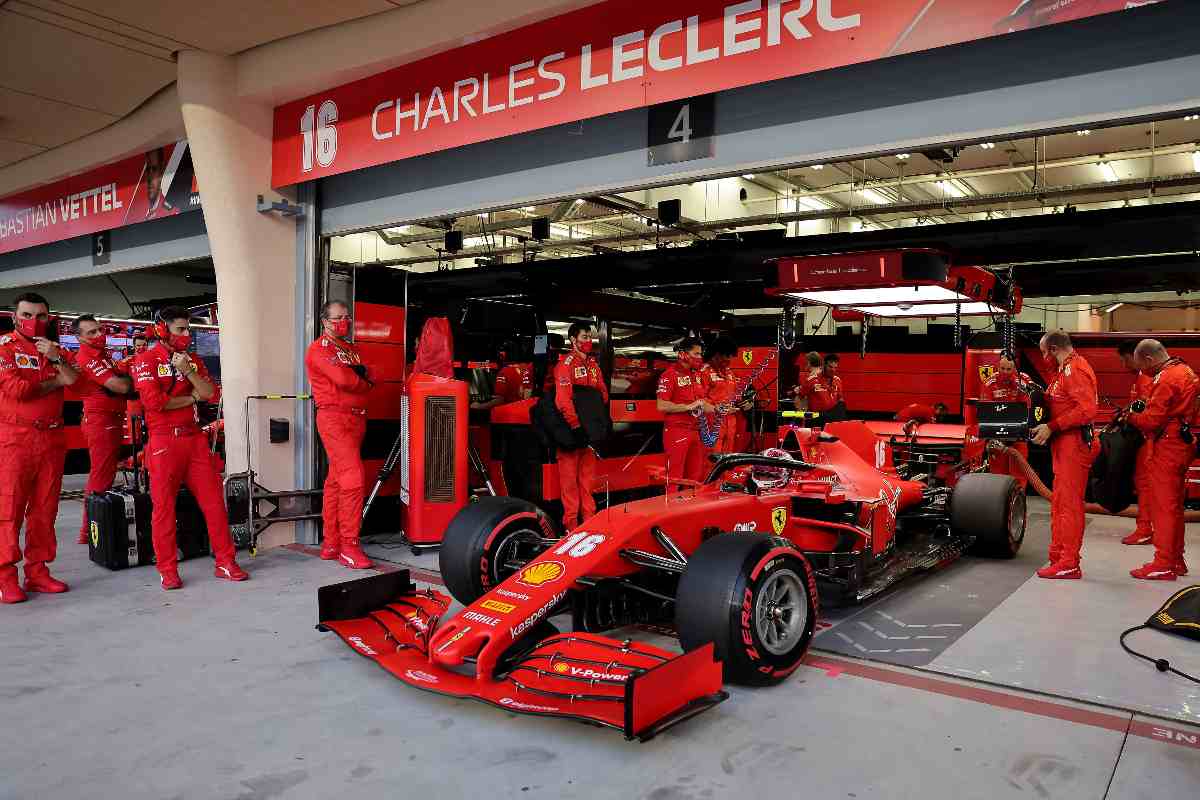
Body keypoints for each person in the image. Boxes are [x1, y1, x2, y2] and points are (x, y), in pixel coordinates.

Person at [132, 307, 247, 589]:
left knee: (214, 504)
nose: (186, 335)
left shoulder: (192, 360)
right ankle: (167, 569)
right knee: (163, 509)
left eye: (188, 330)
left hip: (195, 440)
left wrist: (188, 374)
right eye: (180, 329)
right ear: (162, 330)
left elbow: (210, 394)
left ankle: (225, 561)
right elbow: (154, 403)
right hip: (162, 442)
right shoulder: (145, 361)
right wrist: (191, 398)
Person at [0, 293, 78, 603]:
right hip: (14, 439)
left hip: (51, 439)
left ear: (49, 318)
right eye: (28, 314)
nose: (34, 321)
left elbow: (74, 380)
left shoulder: (54, 350)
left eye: (41, 315)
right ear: (14, 317)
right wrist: (56, 381)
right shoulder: (4, 346)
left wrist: (57, 360)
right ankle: (6, 576)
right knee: (9, 508)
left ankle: (38, 571)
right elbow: (18, 390)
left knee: (45, 508)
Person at [305, 301, 374, 569]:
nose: (343, 322)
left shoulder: (351, 350)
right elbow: (346, 380)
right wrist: (362, 380)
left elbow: (371, 375)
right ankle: (349, 546)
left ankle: (331, 543)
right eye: (337, 318)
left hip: (356, 418)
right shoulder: (318, 349)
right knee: (353, 478)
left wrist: (361, 378)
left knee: (336, 480)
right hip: (334, 418)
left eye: (346, 317)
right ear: (324, 321)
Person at [1126, 339, 1198, 580]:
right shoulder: (1186, 370)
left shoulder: (1165, 378)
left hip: (1167, 445)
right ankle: (1176, 559)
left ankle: (1164, 563)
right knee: (1175, 506)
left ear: (1149, 359)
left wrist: (1134, 415)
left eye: (1143, 367)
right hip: (1182, 442)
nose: (1144, 373)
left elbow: (1151, 421)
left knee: (1163, 507)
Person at [1029, 331, 1098, 579]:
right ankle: (1059, 556)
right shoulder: (1062, 372)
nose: (1044, 357)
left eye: (1044, 352)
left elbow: (1088, 410)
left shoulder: (1074, 370)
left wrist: (1052, 426)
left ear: (1054, 348)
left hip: (1074, 444)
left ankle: (1069, 562)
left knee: (1068, 505)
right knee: (1059, 503)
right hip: (1064, 446)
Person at [71, 315, 134, 544]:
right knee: (101, 475)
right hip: (100, 421)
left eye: (100, 330)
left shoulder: (103, 355)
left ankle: (92, 528)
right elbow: (121, 385)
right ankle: (87, 532)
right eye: (92, 333)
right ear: (79, 338)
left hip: (110, 419)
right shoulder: (87, 357)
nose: (99, 335)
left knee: (105, 474)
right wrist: (128, 380)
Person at [554, 322, 607, 529]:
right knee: (569, 485)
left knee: (587, 483)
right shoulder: (565, 365)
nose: (588, 341)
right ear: (573, 340)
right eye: (584, 337)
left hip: (590, 433)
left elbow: (603, 393)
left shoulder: (594, 365)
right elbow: (563, 400)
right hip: (570, 431)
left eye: (589, 337)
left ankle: (589, 525)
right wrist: (576, 425)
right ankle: (571, 529)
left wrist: (594, 422)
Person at [657, 337, 713, 490]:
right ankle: (670, 511)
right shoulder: (669, 375)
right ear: (683, 354)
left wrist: (720, 409)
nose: (700, 357)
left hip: (697, 430)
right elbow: (661, 405)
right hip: (677, 430)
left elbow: (702, 403)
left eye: (701, 354)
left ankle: (689, 512)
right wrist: (688, 407)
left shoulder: (697, 376)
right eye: (696, 354)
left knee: (695, 477)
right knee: (675, 477)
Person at [1117, 340, 1155, 547]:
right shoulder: (1143, 377)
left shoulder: (1147, 377)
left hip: (1148, 440)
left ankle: (1145, 529)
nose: (1123, 365)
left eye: (1124, 360)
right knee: (1144, 485)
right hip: (1145, 439)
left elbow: (1149, 409)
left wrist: (1130, 415)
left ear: (1134, 356)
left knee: (1145, 485)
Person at [981, 353, 1033, 485]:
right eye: (1002, 368)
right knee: (998, 475)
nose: (1005, 372)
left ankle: (1017, 502)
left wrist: (1021, 387)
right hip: (997, 435)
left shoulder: (1024, 380)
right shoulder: (989, 382)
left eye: (1009, 369)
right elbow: (985, 412)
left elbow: (1029, 406)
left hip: (1019, 434)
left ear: (1015, 368)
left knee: (1020, 473)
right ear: (997, 367)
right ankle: (998, 503)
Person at [700, 336, 748, 454]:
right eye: (727, 356)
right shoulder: (703, 373)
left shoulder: (729, 373)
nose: (729, 360)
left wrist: (745, 403)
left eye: (731, 356)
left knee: (727, 461)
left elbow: (736, 395)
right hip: (711, 423)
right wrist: (717, 407)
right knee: (711, 461)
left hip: (730, 423)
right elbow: (698, 400)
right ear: (716, 354)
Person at [794, 353, 845, 421]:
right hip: (816, 419)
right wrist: (802, 415)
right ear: (824, 366)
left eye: (835, 367)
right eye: (830, 367)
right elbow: (799, 397)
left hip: (832, 419)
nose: (833, 370)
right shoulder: (811, 380)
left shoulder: (837, 380)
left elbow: (840, 399)